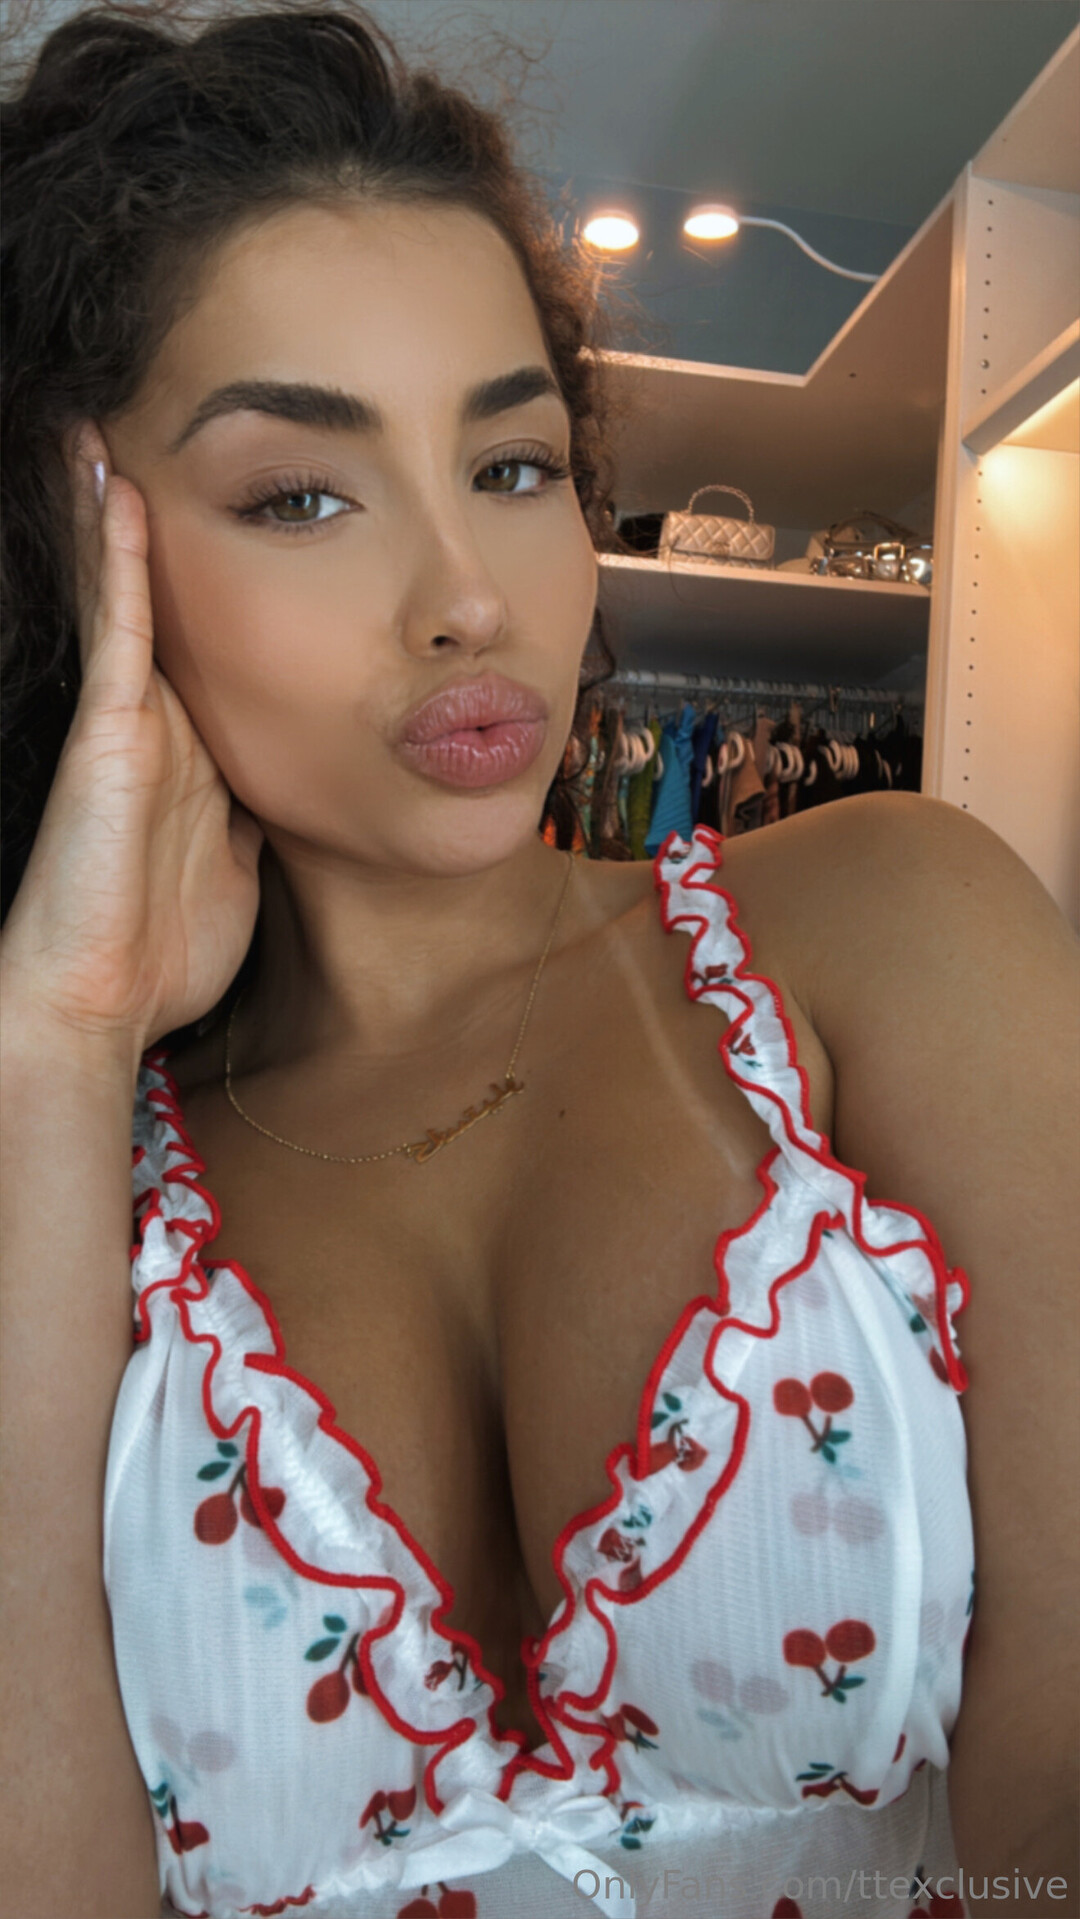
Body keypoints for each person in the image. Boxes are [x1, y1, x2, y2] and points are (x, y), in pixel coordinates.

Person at [1, 6, 1076, 1918]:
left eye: (511, 464)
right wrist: (58, 1041)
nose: (469, 598)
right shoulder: (74, 1172)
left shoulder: (887, 925)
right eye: (302, 495)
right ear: (85, 558)